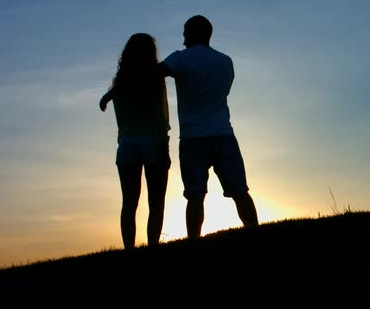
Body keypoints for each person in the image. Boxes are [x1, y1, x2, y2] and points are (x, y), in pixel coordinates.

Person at [150, 15, 259, 239]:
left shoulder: (180, 59)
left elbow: (155, 74)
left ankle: (194, 241)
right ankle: (255, 233)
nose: (182, 39)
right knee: (240, 190)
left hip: (192, 137)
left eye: (184, 33)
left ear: (191, 33)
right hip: (223, 133)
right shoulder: (226, 61)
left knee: (195, 195)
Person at [99, 33, 171, 249]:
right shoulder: (155, 77)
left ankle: (129, 250)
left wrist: (107, 97)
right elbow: (159, 114)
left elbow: (109, 100)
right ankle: (152, 246)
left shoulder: (120, 81)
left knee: (129, 203)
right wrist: (163, 145)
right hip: (152, 141)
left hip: (127, 145)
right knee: (156, 203)